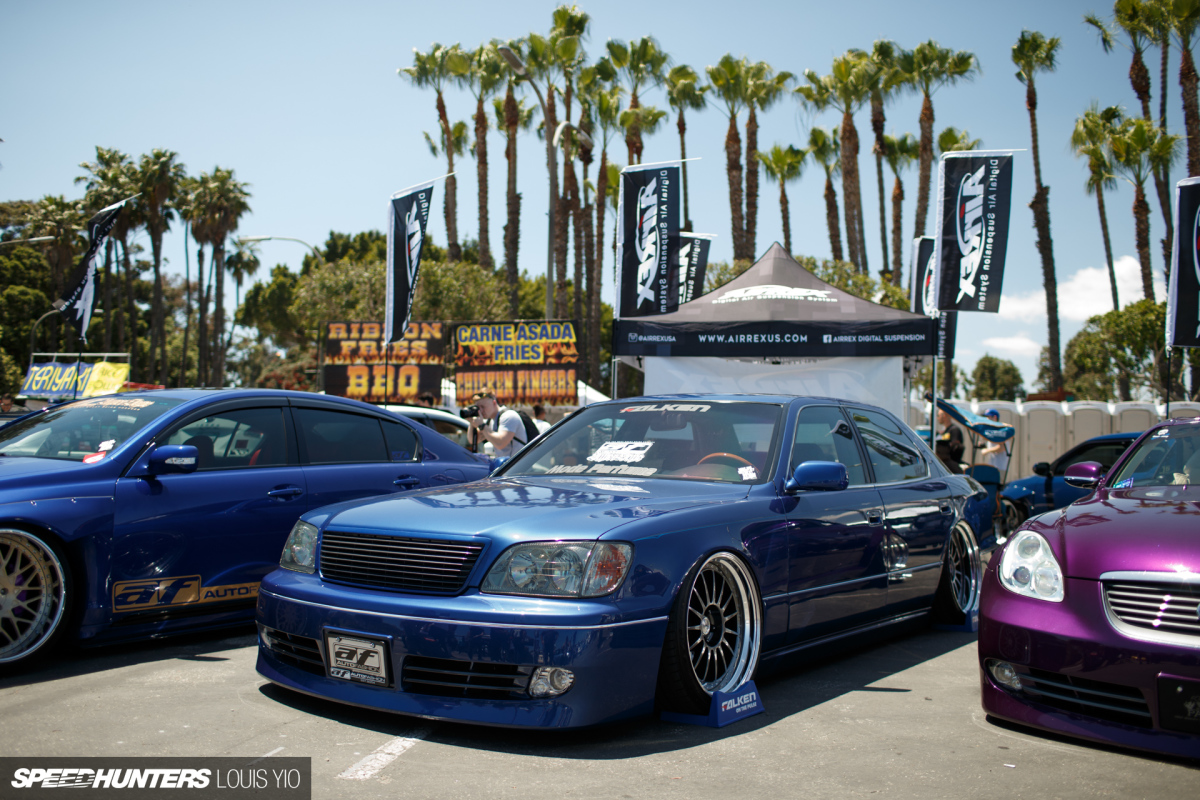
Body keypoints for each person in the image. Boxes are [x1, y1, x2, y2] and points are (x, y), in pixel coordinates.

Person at [467, 391, 526, 458]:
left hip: (519, 464)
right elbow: (473, 440)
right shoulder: (490, 421)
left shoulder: (509, 416)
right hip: (508, 465)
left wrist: (482, 426)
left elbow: (500, 443)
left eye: (483, 407)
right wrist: (472, 422)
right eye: (478, 408)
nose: (480, 411)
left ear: (494, 403)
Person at [978, 409, 1010, 474]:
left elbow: (1002, 447)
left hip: (1000, 467)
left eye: (988, 417)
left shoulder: (1001, 430)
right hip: (993, 466)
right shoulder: (992, 430)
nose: (986, 419)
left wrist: (986, 451)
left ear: (995, 417)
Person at [935, 407, 965, 474]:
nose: (937, 418)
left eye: (938, 415)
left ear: (944, 415)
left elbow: (956, 447)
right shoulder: (943, 432)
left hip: (952, 465)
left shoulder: (954, 430)